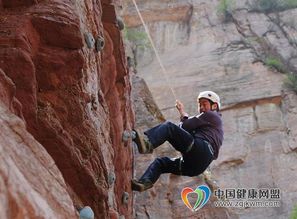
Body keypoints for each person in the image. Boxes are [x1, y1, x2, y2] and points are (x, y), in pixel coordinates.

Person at [131, 91, 224, 192]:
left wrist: (184, 116)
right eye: (200, 105)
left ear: (214, 106)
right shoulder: (212, 126)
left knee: (169, 127)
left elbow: (185, 126)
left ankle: (147, 145)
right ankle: (145, 183)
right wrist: (182, 114)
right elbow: (185, 130)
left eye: (204, 104)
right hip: (198, 166)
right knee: (161, 163)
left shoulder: (211, 115)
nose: (201, 107)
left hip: (201, 149)